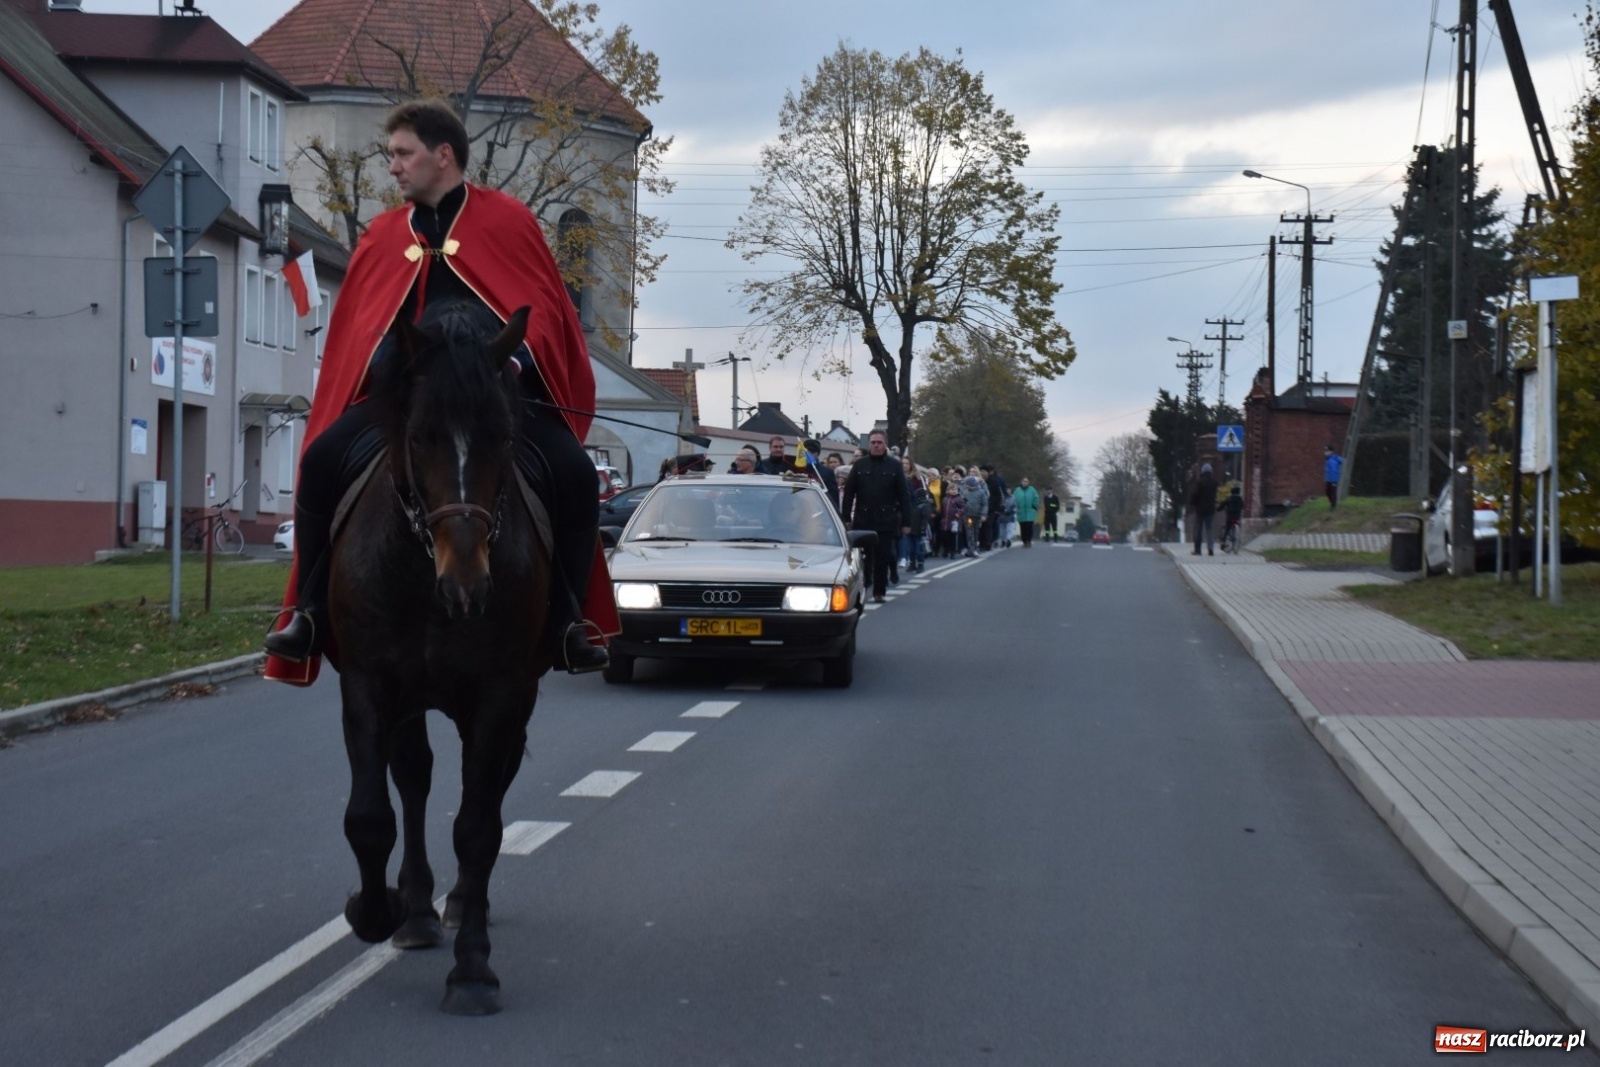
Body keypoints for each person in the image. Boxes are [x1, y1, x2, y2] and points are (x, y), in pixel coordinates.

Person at [263, 100, 614, 681]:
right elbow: (364, 325)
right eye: (392, 155)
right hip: (411, 399)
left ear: (443, 155)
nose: (393, 167)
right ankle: (308, 611)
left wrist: (516, 360)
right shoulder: (381, 235)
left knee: (575, 474)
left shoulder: (508, 221)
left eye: (403, 154)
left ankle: (569, 622)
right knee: (322, 460)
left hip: (495, 397)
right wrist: (387, 363)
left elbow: (543, 312)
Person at [840, 430, 911, 602]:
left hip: (886, 520)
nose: (876, 446)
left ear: (885, 444)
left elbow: (903, 495)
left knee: (882, 557)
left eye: (879, 442)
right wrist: (846, 518)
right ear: (869, 444)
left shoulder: (894, 466)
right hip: (863, 519)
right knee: (863, 558)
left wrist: (906, 521)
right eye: (873, 442)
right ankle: (864, 585)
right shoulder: (860, 465)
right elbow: (849, 493)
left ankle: (879, 592)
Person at [1190, 462, 1219, 556]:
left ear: (1203, 471)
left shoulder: (1199, 482)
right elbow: (1215, 495)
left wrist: (1193, 503)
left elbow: (1195, 494)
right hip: (1210, 508)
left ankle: (1198, 550)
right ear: (1210, 471)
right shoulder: (1214, 483)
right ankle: (1210, 549)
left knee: (1199, 528)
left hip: (1200, 509)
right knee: (1209, 528)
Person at [1012, 477, 1041, 548]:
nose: (1025, 483)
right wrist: (1016, 507)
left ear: (1028, 482)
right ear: (1021, 482)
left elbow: (1036, 498)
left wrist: (1034, 506)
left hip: (1030, 512)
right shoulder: (1017, 490)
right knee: (1023, 528)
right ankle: (1024, 541)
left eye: (1026, 481)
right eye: (1024, 481)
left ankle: (1029, 541)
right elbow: (1014, 499)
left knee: (1029, 527)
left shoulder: (1032, 490)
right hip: (1021, 512)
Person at [1223, 485, 1245, 550]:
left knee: (1227, 528)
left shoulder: (1230, 498)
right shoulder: (1240, 499)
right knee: (1237, 524)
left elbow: (1223, 504)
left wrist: (1218, 509)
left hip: (1230, 516)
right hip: (1237, 516)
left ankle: (1224, 542)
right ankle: (1237, 538)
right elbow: (1242, 506)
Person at [1323, 444, 1343, 509]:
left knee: (1332, 493)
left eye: (1327, 451)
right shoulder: (1328, 459)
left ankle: (1333, 506)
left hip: (1332, 480)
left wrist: (1334, 481)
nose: (1325, 453)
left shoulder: (1332, 460)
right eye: (1325, 451)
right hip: (1329, 479)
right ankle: (1332, 504)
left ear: (1331, 452)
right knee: (1328, 493)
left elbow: (1334, 471)